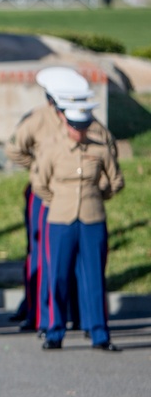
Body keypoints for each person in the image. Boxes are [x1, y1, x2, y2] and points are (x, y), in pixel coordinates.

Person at [5, 67, 114, 333]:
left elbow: (107, 154)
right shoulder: (38, 119)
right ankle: (40, 315)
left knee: (83, 262)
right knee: (43, 256)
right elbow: (14, 148)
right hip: (46, 195)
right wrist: (39, 170)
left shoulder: (90, 123)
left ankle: (82, 317)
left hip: (81, 200)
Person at [33, 102, 124, 351]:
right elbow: (39, 184)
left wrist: (97, 196)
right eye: (75, 127)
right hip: (61, 219)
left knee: (94, 277)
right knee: (59, 276)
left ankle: (99, 333)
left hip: (92, 218)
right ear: (67, 124)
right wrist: (59, 200)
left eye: (83, 127)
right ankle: (55, 331)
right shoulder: (52, 149)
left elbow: (116, 180)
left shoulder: (100, 150)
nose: (79, 132)